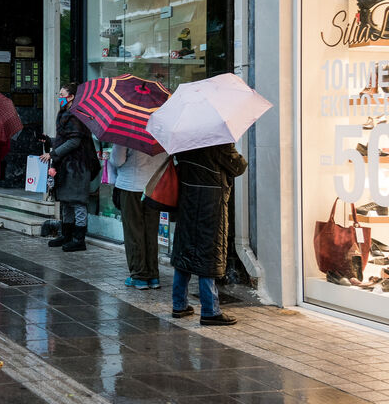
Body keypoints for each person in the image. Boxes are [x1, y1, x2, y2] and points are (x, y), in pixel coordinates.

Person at [171, 143, 247, 326]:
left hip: (187, 201)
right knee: (208, 252)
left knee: (185, 251)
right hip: (210, 204)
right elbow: (239, 166)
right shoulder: (218, 140)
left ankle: (179, 305)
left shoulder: (184, 138)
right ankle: (209, 311)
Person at [40, 83, 100, 252]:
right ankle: (67, 235)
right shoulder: (67, 114)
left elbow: (74, 141)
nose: (59, 97)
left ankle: (79, 239)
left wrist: (52, 154)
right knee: (66, 202)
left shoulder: (76, 116)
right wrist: (50, 140)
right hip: (67, 166)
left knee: (77, 202)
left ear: (71, 96)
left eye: (62, 94)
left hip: (77, 166)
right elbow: (66, 139)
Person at [110, 144, 167, 290]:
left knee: (133, 231)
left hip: (131, 186)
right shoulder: (161, 131)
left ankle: (139, 275)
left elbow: (117, 160)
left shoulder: (128, 129)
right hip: (154, 188)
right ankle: (153, 275)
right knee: (151, 231)